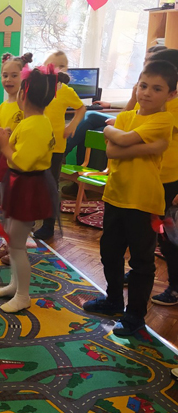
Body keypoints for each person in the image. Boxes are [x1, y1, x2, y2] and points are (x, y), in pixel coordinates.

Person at [83, 60, 176, 336]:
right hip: (115, 195)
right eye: (143, 86)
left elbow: (120, 143)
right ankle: (113, 300)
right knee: (109, 252)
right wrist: (146, 146)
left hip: (144, 201)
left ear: (171, 94)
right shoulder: (125, 118)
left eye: (157, 89)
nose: (147, 93)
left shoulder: (164, 119)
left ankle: (135, 315)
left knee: (141, 261)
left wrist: (111, 132)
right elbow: (111, 152)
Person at [0, 66, 57, 313]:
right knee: (12, 237)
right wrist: (6, 135)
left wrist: (3, 144)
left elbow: (22, 161)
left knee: (17, 245)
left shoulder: (35, 125)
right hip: (22, 185)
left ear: (24, 94)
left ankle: (22, 295)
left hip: (27, 187)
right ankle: (14, 286)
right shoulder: (35, 121)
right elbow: (20, 145)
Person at [34, 50, 86, 240]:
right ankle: (30, 219)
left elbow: (81, 108)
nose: (57, 69)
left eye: (62, 66)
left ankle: (48, 225)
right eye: (52, 65)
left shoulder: (66, 91)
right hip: (35, 144)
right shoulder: (37, 88)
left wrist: (72, 126)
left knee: (50, 185)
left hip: (56, 147)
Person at [0, 53, 26, 262]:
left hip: (19, 163)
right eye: (5, 75)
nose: (8, 80)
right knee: (6, 205)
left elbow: (26, 134)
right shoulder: (2, 106)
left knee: (17, 207)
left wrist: (10, 133)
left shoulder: (25, 107)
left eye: (14, 75)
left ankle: (17, 246)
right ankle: (6, 242)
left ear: (24, 77)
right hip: (4, 160)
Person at [151, 52, 178, 305]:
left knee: (168, 235)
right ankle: (142, 271)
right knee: (149, 230)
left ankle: (175, 286)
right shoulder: (149, 101)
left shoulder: (174, 105)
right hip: (150, 179)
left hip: (170, 182)